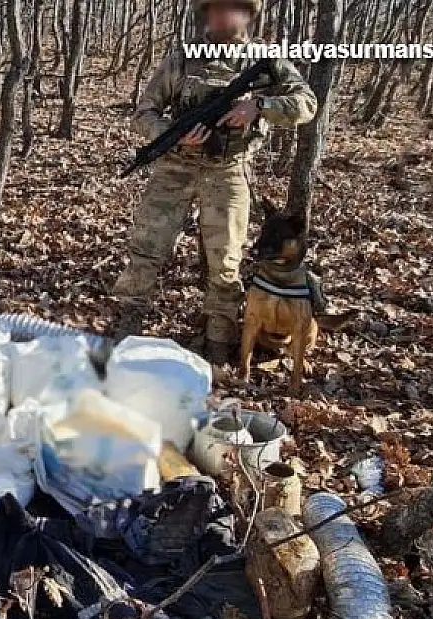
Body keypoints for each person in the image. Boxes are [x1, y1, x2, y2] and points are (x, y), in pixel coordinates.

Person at [113, 0, 316, 364]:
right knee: (147, 247)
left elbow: (306, 103)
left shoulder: (265, 60)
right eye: (215, 9)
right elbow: (144, 113)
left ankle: (218, 342)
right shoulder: (183, 58)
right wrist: (171, 135)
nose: (222, 17)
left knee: (226, 261)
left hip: (229, 170)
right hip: (175, 166)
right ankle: (128, 323)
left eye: (232, 9)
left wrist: (259, 107)